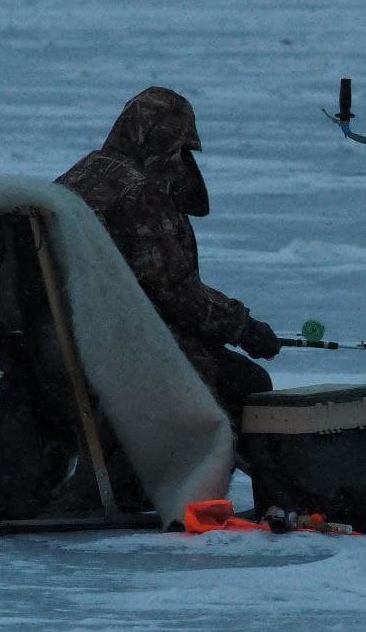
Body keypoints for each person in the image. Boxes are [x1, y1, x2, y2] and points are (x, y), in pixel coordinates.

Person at [56, 87, 281, 428]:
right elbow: (176, 292)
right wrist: (242, 327)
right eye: (181, 149)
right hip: (127, 345)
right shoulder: (140, 194)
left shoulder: (81, 174)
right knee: (250, 385)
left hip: (71, 334)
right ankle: (206, 474)